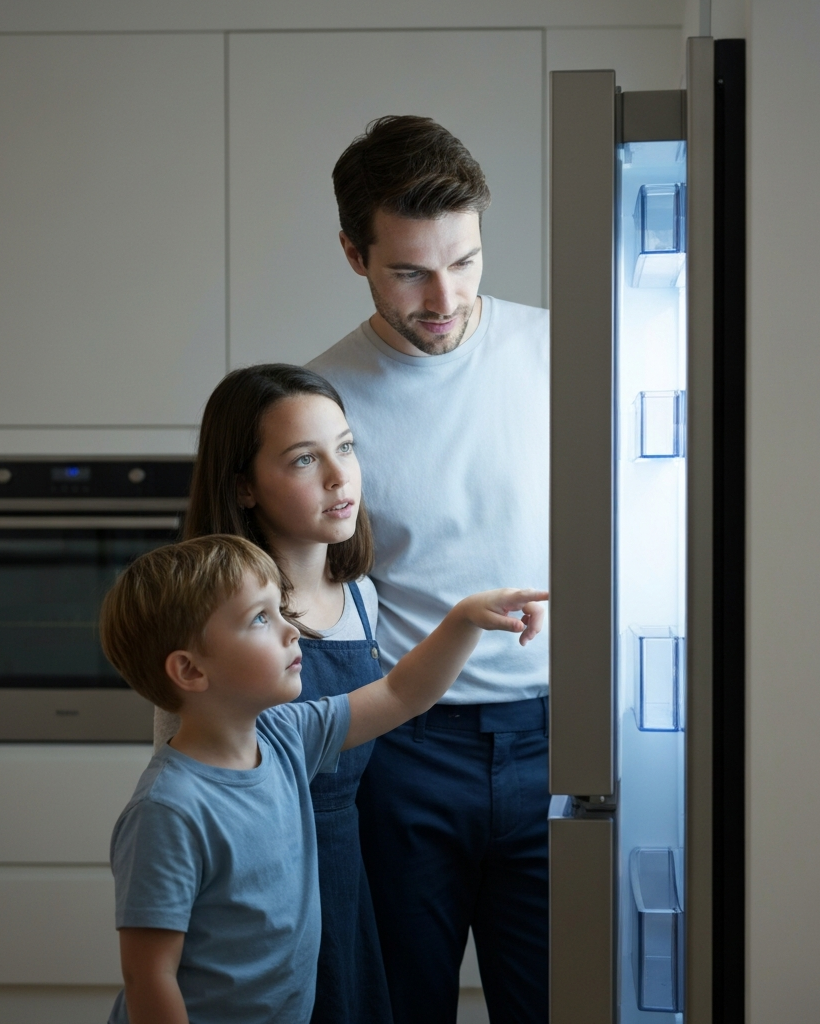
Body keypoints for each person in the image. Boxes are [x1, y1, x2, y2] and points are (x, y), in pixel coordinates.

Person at [308, 115, 550, 1023]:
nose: (443, 296)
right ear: (353, 254)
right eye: (410, 270)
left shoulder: (572, 352)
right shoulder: (321, 400)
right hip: (405, 747)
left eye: (465, 261)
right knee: (401, 1006)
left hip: (566, 741)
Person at [102, 533, 546, 1024]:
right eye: (259, 619)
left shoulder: (284, 736)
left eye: (281, 609)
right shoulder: (168, 810)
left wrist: (464, 619)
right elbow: (149, 977)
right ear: (189, 670)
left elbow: (400, 694)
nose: (291, 631)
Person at [152, 363, 393, 1023]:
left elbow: (400, 700)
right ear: (244, 487)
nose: (340, 477)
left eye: (345, 448)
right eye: (303, 460)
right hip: (256, 886)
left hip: (345, 875)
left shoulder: (364, 599)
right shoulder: (216, 619)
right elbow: (186, 771)